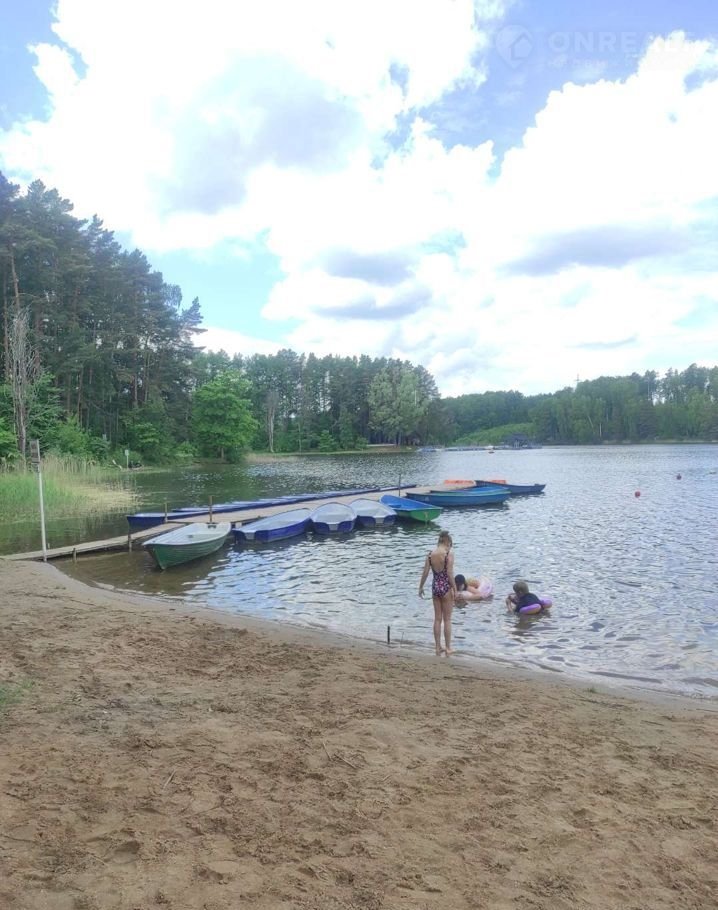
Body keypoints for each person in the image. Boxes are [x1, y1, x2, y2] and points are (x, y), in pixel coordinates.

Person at [419, 530, 457, 655]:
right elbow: (449, 574)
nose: (450, 547)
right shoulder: (448, 554)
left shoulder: (430, 555)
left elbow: (425, 572)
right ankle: (448, 648)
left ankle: (437, 647)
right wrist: (455, 589)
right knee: (447, 619)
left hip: (435, 588)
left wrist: (420, 587)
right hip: (446, 587)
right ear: (447, 542)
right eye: (450, 545)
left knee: (437, 619)